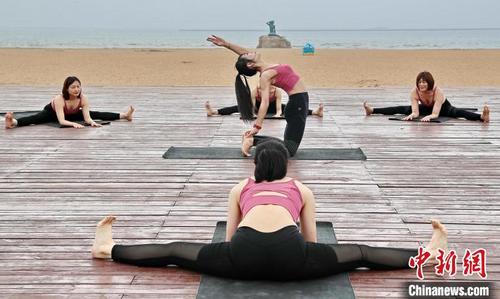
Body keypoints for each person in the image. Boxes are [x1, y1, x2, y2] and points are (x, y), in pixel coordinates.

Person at [92, 139, 448, 281]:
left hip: (242, 256)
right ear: (285, 168)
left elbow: (230, 239)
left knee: (173, 250)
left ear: (257, 167)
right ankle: (428, 256)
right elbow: (311, 241)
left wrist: (226, 257)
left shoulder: (239, 187)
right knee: (360, 253)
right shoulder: (301, 188)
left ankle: (107, 249)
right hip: (293, 256)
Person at [206, 35, 309, 157]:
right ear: (250, 64)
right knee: (289, 150)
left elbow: (243, 53)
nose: (250, 52)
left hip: (300, 103)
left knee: (289, 146)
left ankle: (252, 140)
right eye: (248, 55)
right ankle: (253, 140)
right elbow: (264, 102)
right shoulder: (265, 76)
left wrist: (226, 44)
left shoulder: (266, 66)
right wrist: (257, 126)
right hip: (297, 105)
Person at [4, 76, 135, 129]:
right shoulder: (59, 99)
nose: (76, 89)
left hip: (71, 113)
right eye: (73, 87)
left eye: (78, 86)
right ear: (67, 89)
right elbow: (61, 121)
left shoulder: (83, 98)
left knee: (96, 113)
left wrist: (92, 122)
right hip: (53, 112)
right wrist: (73, 124)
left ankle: (124, 115)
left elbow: (88, 118)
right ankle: (13, 122)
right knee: (37, 118)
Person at [363, 71, 490, 122]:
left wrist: (430, 117)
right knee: (403, 109)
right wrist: (412, 115)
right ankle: (373, 110)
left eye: (424, 82)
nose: (421, 84)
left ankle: (482, 117)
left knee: (456, 112)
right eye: (419, 82)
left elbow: (435, 114)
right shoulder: (414, 92)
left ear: (429, 82)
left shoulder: (437, 91)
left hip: (443, 108)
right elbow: (415, 112)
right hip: (426, 108)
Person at [205, 85, 324, 118]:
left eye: (271, 87)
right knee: (238, 107)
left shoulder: (277, 91)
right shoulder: (255, 91)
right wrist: (252, 114)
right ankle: (214, 112)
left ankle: (315, 112)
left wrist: (278, 114)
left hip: (271, 106)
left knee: (290, 107)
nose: (269, 89)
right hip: (257, 106)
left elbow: (278, 108)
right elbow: (251, 107)